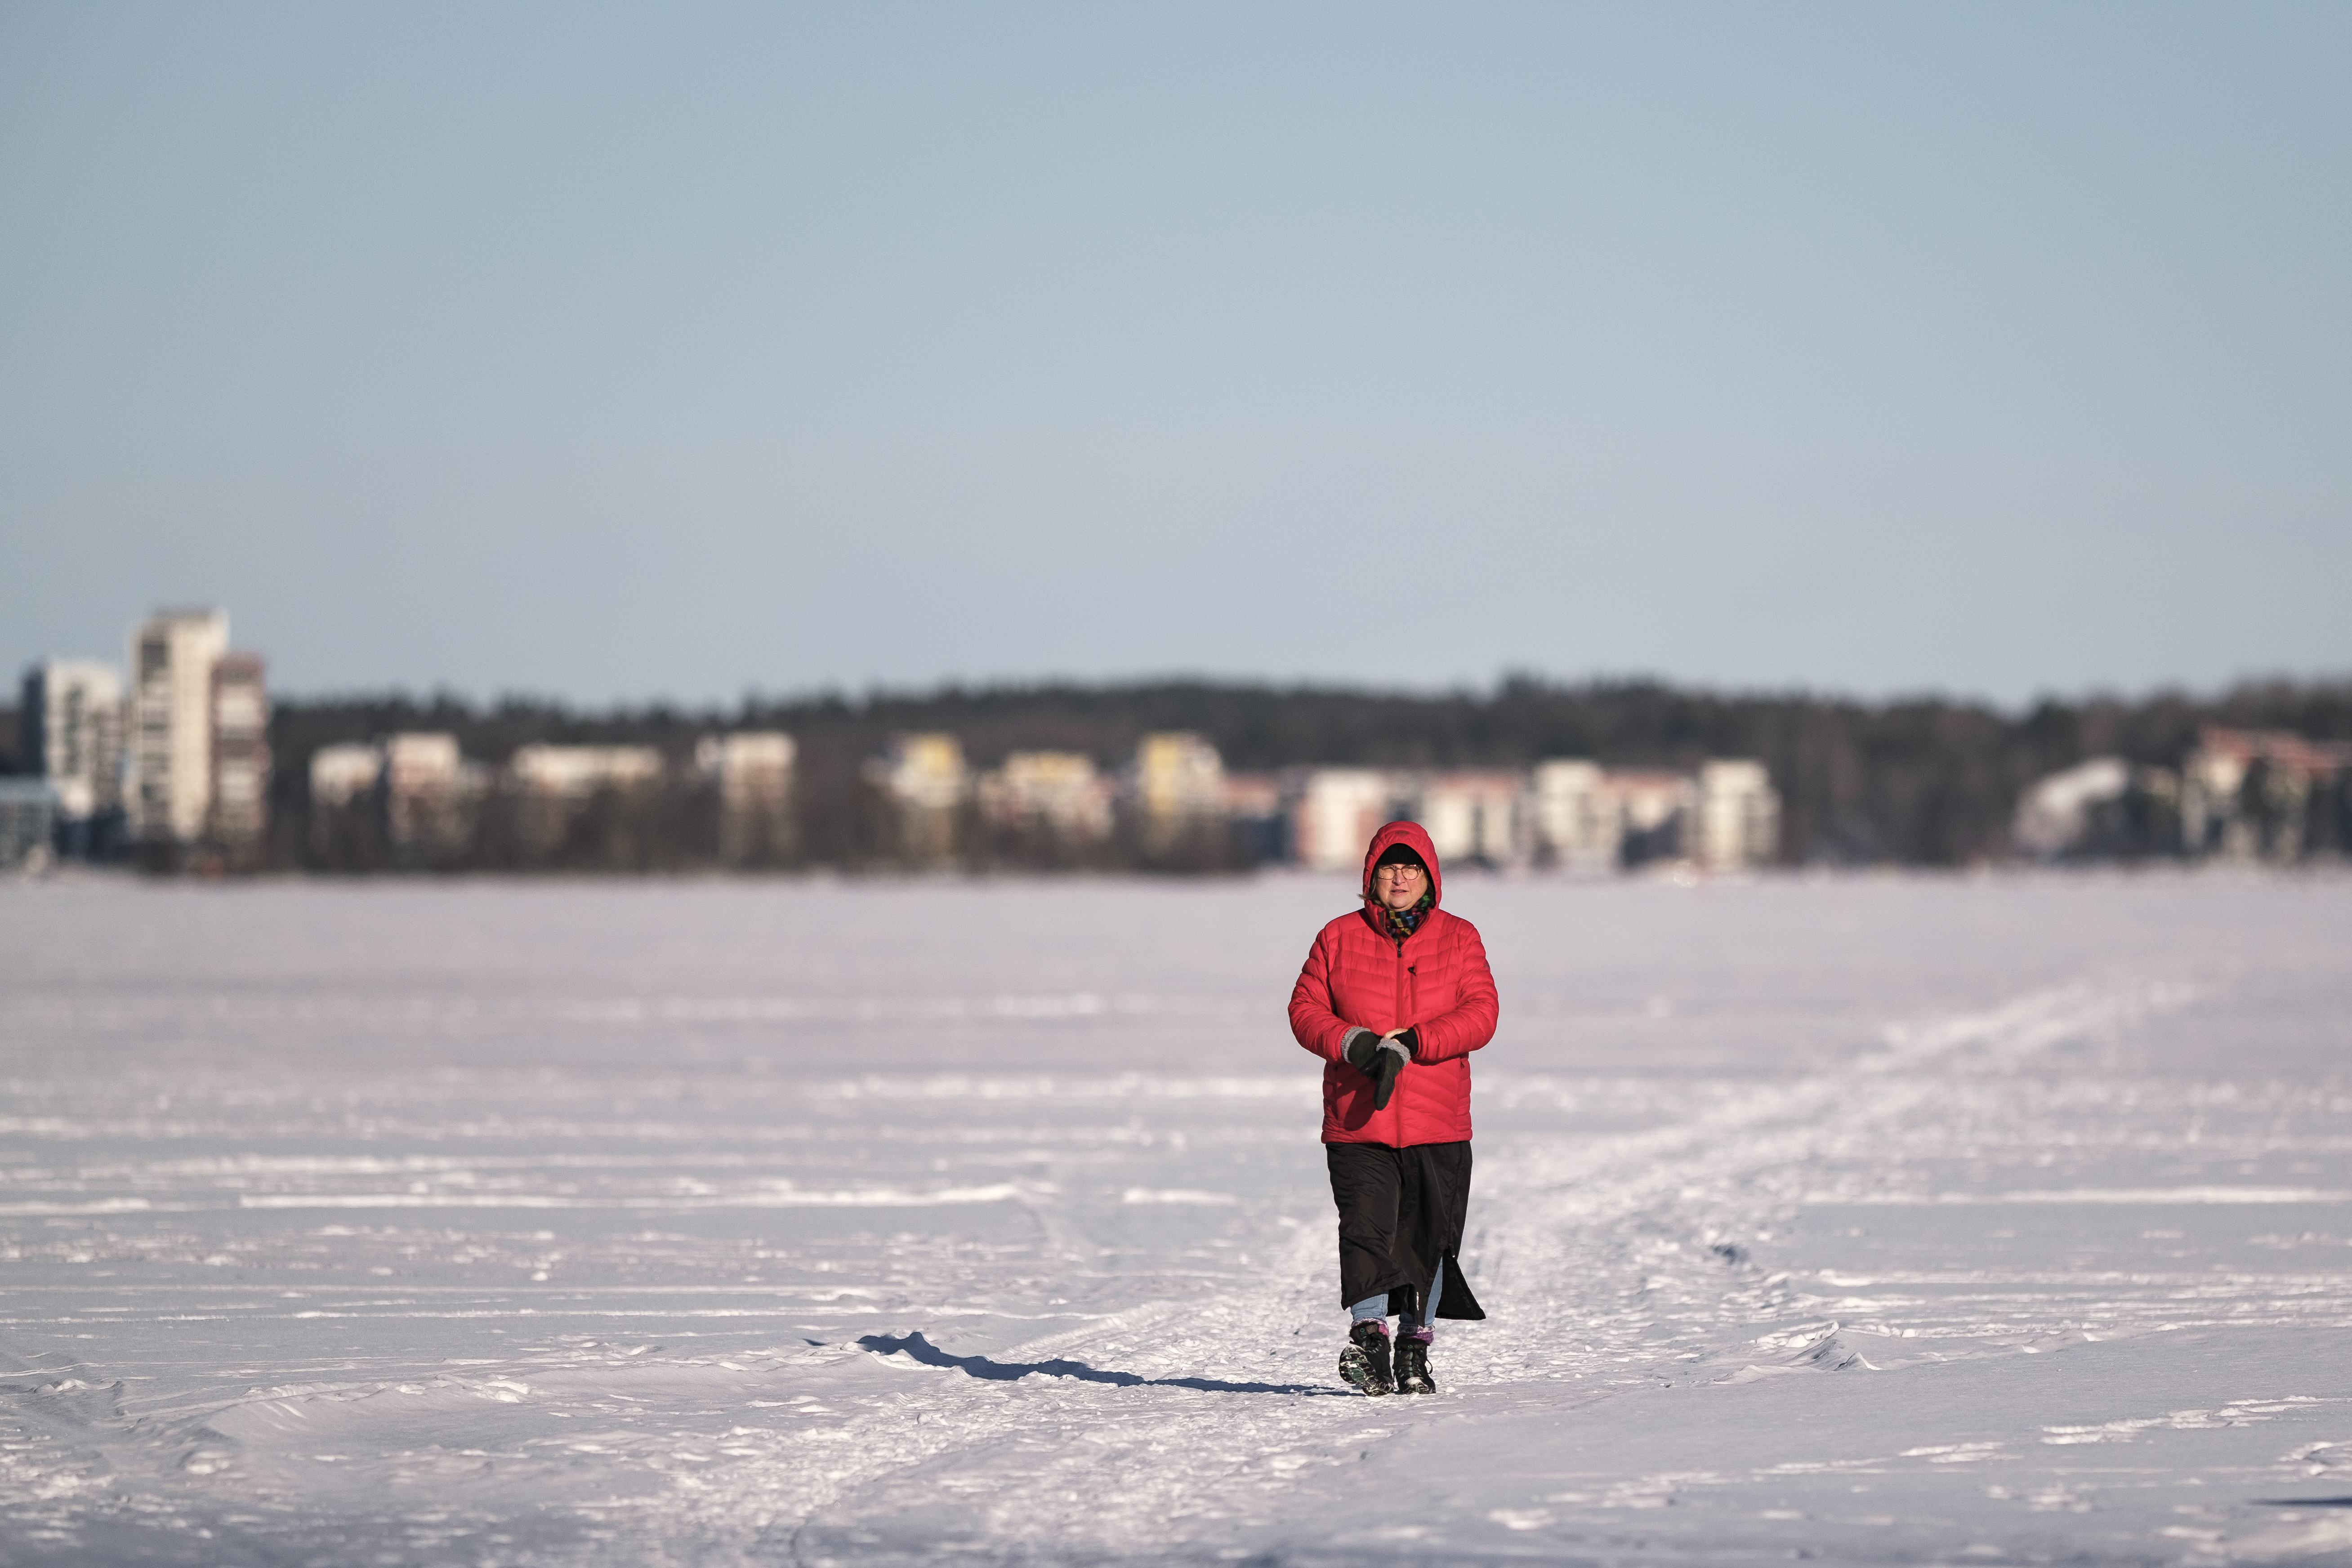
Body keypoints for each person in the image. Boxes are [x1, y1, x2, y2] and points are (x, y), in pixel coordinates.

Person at [1288, 820, 1497, 1396]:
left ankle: (1413, 1346)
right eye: (1388, 866)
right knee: (1365, 1231)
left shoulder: (1459, 938)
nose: (1398, 876)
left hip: (1438, 1121)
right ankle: (1369, 1338)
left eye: (1410, 867)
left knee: (1429, 1240)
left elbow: (1482, 1013)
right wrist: (1352, 1042)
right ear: (1369, 877)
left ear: (1429, 877)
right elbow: (1304, 1010)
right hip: (1359, 1122)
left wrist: (1417, 1041)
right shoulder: (1337, 937)